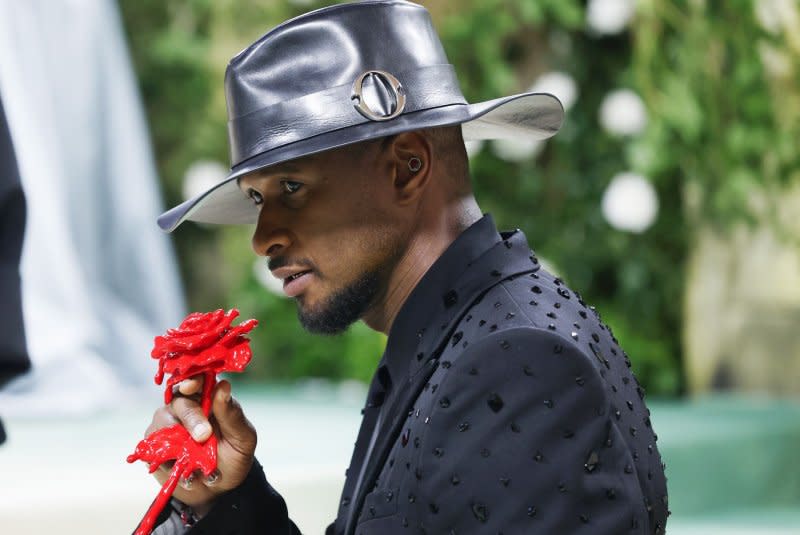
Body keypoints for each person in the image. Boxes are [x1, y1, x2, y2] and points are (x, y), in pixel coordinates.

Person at [145, 2, 668, 533]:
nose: (263, 238)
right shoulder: (453, 338)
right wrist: (224, 496)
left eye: (293, 188)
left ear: (407, 168)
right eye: (258, 200)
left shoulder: (514, 363)